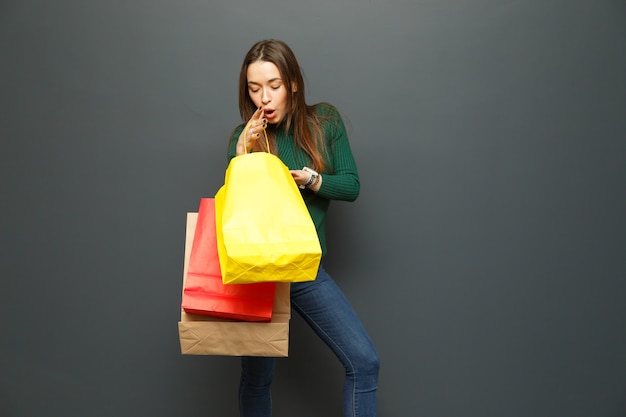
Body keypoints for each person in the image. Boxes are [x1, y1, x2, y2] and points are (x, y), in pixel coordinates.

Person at [227, 39, 380, 417]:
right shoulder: (243, 137)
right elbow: (237, 210)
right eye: (254, 88)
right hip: (259, 274)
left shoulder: (324, 121)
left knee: (364, 362)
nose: (264, 97)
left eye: (274, 85)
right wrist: (243, 155)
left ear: (293, 83)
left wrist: (313, 180)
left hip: (304, 271)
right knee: (257, 379)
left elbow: (352, 185)